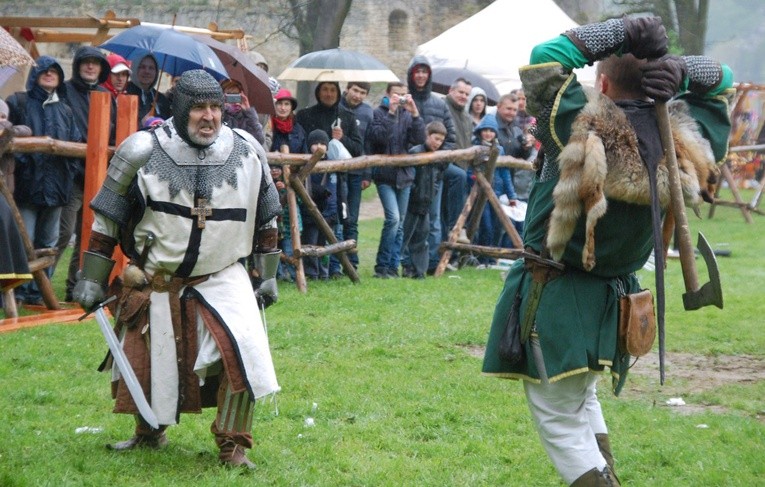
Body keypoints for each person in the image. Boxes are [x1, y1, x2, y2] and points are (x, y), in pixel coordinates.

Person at [481, 16, 733, 486]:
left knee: (559, 417)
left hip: (557, 295)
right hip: (615, 300)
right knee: (581, 399)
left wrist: (615, 33)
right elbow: (723, 83)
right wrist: (682, 68)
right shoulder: (687, 139)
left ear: (601, 81)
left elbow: (544, 59)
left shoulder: (580, 129)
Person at [72, 70, 282, 469]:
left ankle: (233, 445)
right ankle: (149, 431)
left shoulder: (248, 150)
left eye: (216, 107)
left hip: (223, 275)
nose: (210, 116)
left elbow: (267, 218)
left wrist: (267, 273)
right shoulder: (141, 151)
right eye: (200, 107)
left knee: (242, 357)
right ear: (182, 107)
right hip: (158, 277)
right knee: (149, 359)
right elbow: (107, 221)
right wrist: (91, 278)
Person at [6, 56, 82, 306]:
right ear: (35, 74)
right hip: (27, 187)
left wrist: (67, 175)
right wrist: (25, 167)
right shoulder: (19, 101)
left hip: (58, 188)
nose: (49, 74)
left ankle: (39, 293)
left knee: (49, 242)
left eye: (54, 71)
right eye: (44, 71)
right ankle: (18, 291)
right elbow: (7, 136)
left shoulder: (66, 110)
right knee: (23, 239)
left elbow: (75, 144)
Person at [56, 46, 111, 302]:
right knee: (63, 233)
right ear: (77, 66)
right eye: (86, 63)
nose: (90, 67)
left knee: (88, 235)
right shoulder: (63, 91)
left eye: (95, 63)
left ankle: (73, 289)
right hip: (70, 174)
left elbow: (110, 131)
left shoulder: (105, 95)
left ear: (101, 69)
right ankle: (35, 287)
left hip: (97, 174)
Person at [367, 82, 425, 278]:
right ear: (387, 95)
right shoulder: (379, 113)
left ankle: (392, 267)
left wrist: (415, 113)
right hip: (385, 175)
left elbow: (419, 139)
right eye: (396, 95)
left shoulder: (409, 114)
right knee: (393, 219)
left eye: (403, 94)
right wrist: (391, 113)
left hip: (405, 175)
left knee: (399, 225)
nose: (399, 98)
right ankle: (381, 266)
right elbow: (379, 139)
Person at [405, 56, 457, 274]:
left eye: (424, 72)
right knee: (407, 220)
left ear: (429, 75)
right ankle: (405, 263)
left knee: (432, 219)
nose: (420, 76)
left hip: (434, 171)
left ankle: (430, 264)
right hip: (410, 170)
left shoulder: (439, 103)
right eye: (417, 71)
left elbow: (451, 139)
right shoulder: (405, 101)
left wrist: (438, 164)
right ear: (411, 74)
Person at [402, 121, 447, 279]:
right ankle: (405, 266)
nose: (438, 143)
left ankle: (419, 270)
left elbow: (437, 179)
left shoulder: (438, 157)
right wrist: (414, 192)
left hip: (426, 202)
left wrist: (432, 193)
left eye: (441, 140)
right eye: (435, 138)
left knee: (422, 237)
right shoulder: (415, 152)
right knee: (406, 235)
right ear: (427, 135)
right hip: (412, 202)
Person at [468, 114, 515, 264]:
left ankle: (490, 258)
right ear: (480, 131)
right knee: (485, 226)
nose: (488, 133)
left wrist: (511, 195)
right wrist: (474, 179)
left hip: (497, 192)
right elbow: (470, 171)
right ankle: (482, 258)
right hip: (480, 193)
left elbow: (505, 173)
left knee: (496, 226)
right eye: (485, 130)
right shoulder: (475, 148)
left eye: (491, 130)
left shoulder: (499, 150)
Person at [339, 81, 374, 271]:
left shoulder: (368, 112)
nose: (357, 95)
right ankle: (336, 261)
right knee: (338, 216)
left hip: (357, 171)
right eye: (355, 90)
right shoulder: (337, 108)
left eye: (362, 92)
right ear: (347, 89)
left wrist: (367, 173)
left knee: (353, 218)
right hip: (337, 170)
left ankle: (352, 263)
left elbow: (368, 144)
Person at [300, 129, 338, 280]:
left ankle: (324, 272)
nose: (319, 147)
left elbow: (338, 191)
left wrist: (336, 211)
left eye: (323, 143)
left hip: (329, 211)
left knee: (325, 244)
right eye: (315, 143)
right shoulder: (304, 165)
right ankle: (312, 273)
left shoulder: (333, 166)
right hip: (310, 211)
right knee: (311, 242)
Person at [442, 78, 471, 249]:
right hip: (446, 165)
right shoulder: (443, 107)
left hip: (462, 166)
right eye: (460, 92)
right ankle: (457, 228)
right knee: (444, 213)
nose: (463, 96)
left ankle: (453, 254)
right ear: (451, 91)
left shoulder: (466, 116)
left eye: (467, 94)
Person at [126, 53, 172, 124]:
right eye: (142, 67)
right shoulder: (125, 93)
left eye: (151, 68)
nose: (147, 71)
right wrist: (141, 124)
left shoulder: (162, 100)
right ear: (134, 68)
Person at [220, 79, 266, 146]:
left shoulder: (246, 117)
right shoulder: (218, 115)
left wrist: (249, 112)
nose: (233, 100)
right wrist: (222, 110)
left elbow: (259, 140)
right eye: (230, 96)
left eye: (236, 96)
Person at [270, 88, 307, 154]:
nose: (283, 108)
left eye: (286, 104)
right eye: (279, 103)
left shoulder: (298, 130)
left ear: (291, 107)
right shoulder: (268, 126)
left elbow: (304, 153)